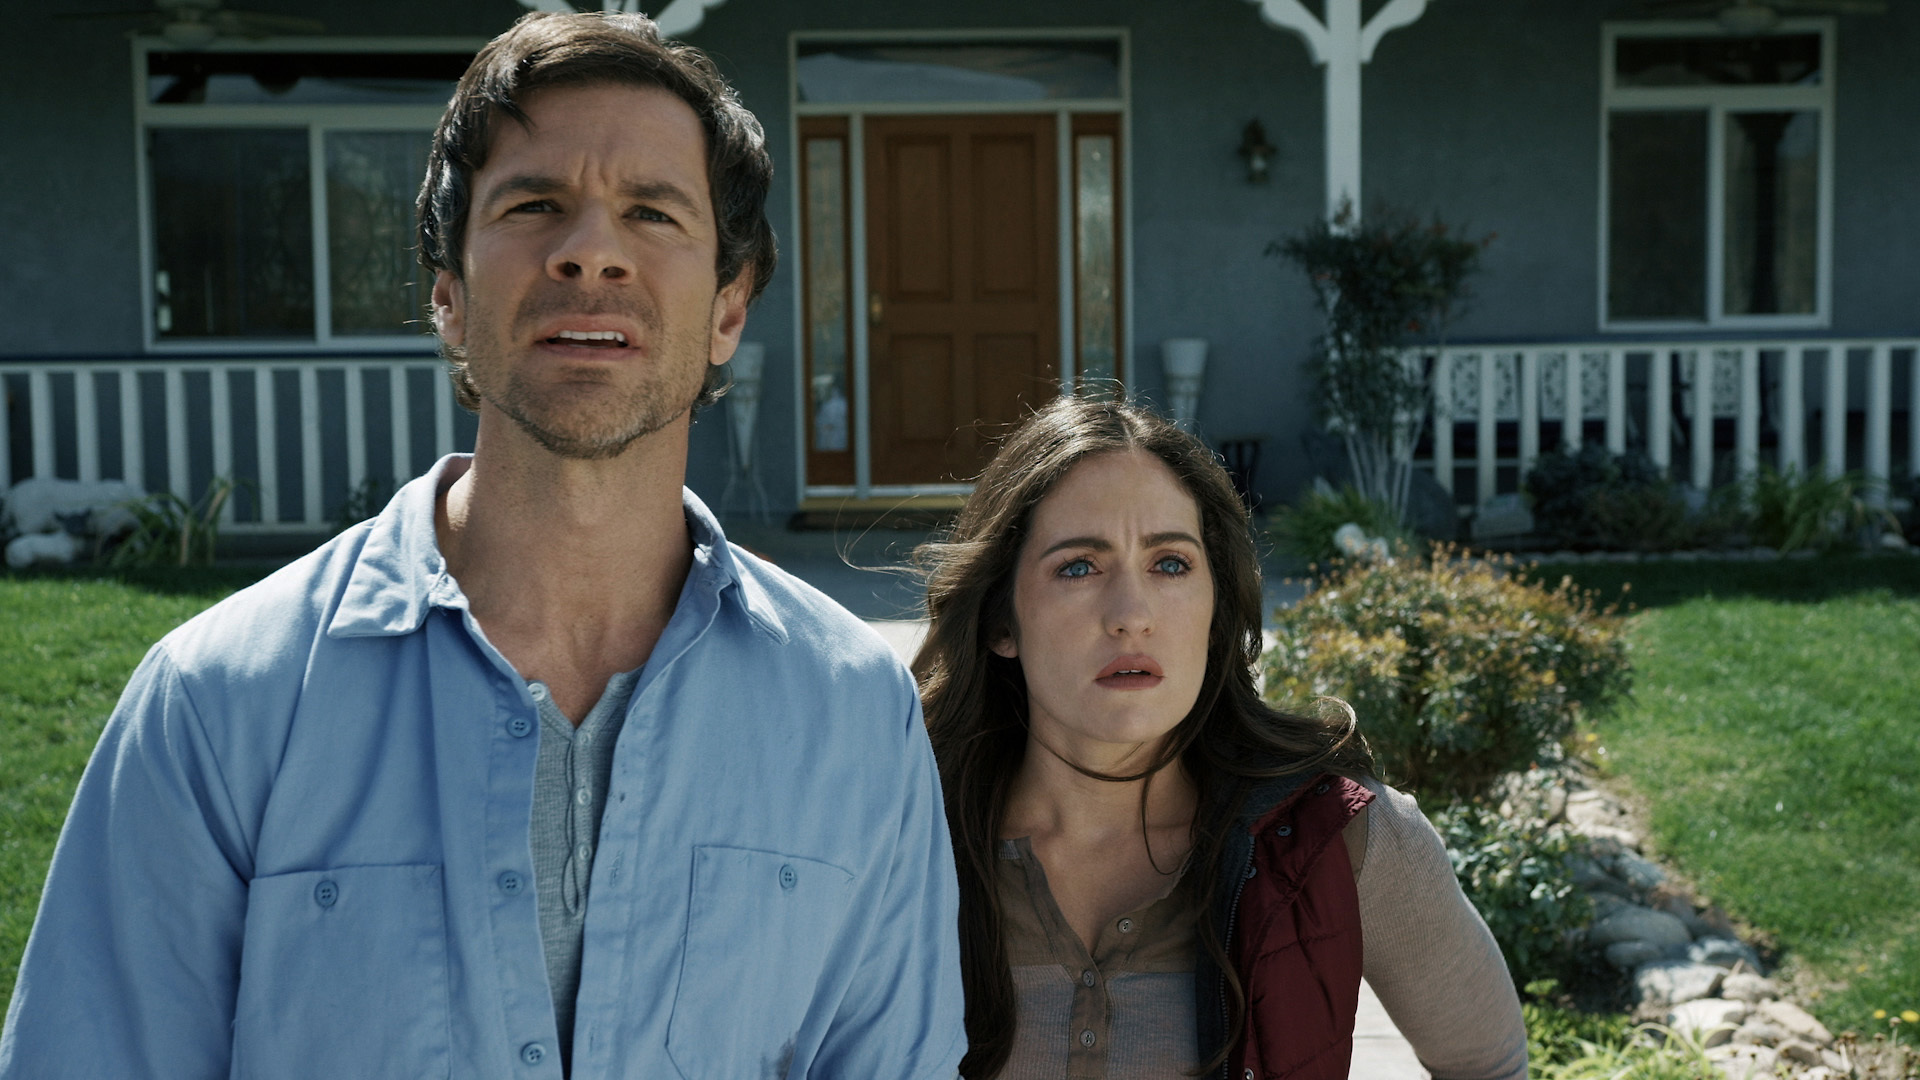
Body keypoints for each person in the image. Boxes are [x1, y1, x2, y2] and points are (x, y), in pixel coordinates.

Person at [0, 13, 964, 1079]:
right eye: (533, 204)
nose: (590, 250)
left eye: (651, 212)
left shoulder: (851, 715)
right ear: (449, 295)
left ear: (729, 310)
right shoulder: (220, 704)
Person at [914, 396, 1527, 1080]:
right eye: (1079, 566)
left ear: (1215, 610)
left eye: (1170, 564)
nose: (1131, 615)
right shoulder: (903, 840)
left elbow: (1489, 1063)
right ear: (1001, 620)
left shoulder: (1338, 836)